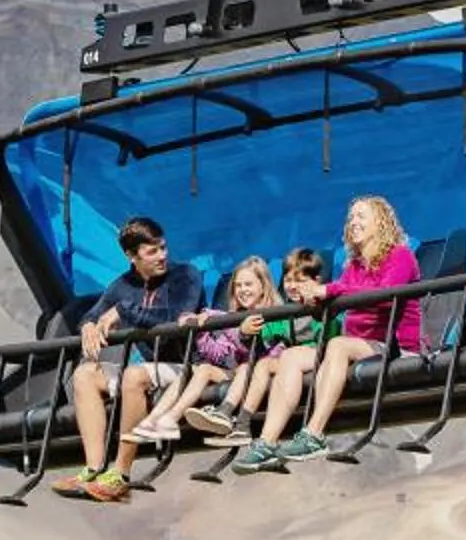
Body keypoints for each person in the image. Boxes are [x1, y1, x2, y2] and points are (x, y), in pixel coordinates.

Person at [232, 196, 421, 471]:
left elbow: (382, 297)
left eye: (361, 217)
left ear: (380, 222)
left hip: (392, 347)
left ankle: (314, 434)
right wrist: (315, 303)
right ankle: (266, 443)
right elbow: (338, 302)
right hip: (358, 346)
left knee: (338, 345)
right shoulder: (353, 267)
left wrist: (328, 291)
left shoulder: (400, 256)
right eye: (351, 218)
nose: (353, 222)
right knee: (293, 356)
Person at [52, 217, 206, 504]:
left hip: (188, 366)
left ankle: (120, 474)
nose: (162, 256)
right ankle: (94, 468)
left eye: (163, 248)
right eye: (152, 252)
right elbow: (94, 313)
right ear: (131, 256)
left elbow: (175, 319)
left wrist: (125, 311)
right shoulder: (123, 285)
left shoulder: (186, 275)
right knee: (85, 375)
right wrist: (87, 325)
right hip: (153, 368)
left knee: (133, 375)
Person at [182, 246, 325, 440]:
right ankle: (233, 421)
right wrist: (212, 322)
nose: (292, 286)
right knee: (235, 366)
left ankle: (232, 415)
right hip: (271, 365)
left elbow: (327, 331)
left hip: (306, 358)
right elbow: (256, 340)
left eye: (299, 281)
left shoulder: (301, 309)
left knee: (256, 365)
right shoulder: (275, 315)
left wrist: (317, 303)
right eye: (288, 280)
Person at [131, 255, 276, 445]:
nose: (243, 290)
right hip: (234, 371)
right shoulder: (230, 318)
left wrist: (243, 334)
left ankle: (224, 412)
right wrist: (201, 326)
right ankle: (165, 420)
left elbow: (267, 351)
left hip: (257, 372)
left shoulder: (274, 314)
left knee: (243, 368)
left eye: (248, 284)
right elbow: (220, 353)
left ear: (263, 286)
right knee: (202, 369)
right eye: (238, 286)